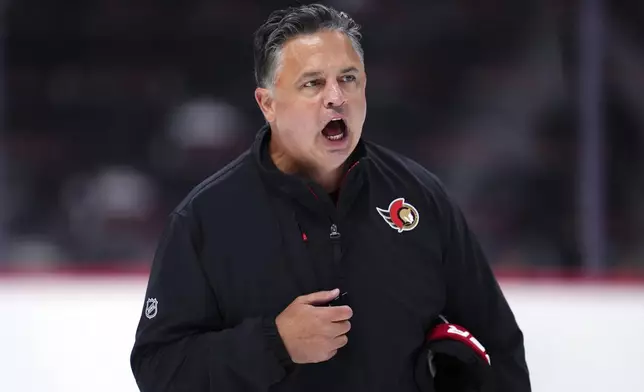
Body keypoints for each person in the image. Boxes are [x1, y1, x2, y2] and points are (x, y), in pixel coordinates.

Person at [130, 4, 531, 391]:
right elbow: (159, 369)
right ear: (268, 104)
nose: (336, 97)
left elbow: (498, 343)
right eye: (313, 83)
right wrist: (274, 344)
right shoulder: (206, 219)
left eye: (349, 78)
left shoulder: (420, 197)